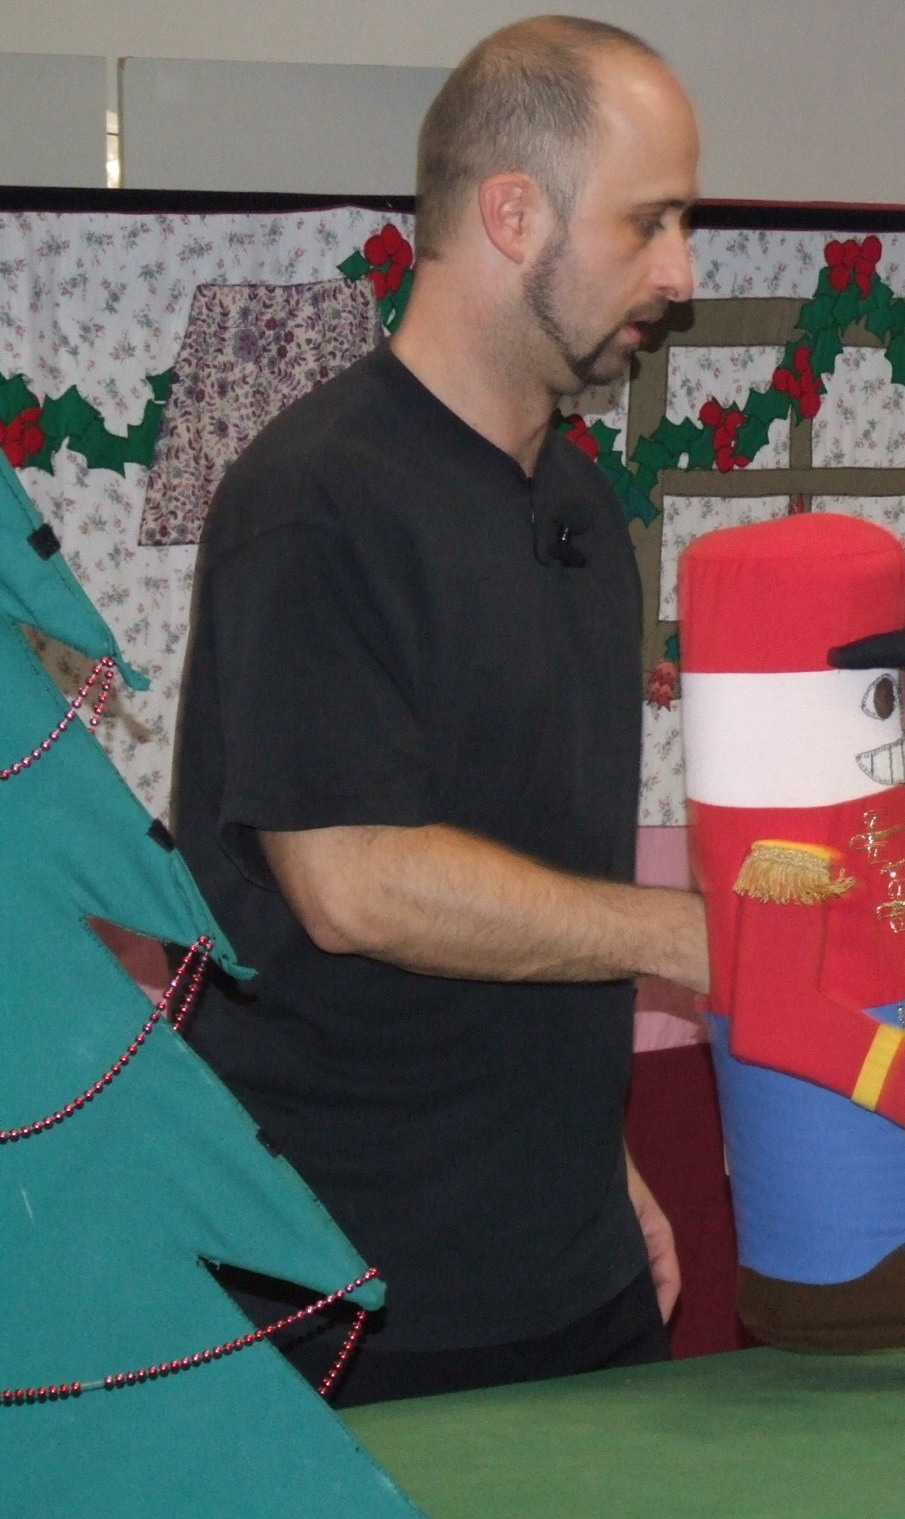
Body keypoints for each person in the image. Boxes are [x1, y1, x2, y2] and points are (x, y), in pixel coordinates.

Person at [174, 16, 708, 1404]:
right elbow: (351, 882)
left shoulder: (581, 506)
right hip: (351, 1312)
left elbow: (534, 876)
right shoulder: (315, 500)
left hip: (578, 1285)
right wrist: (700, 940)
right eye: (649, 222)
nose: (681, 274)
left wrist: (603, 1167)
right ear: (513, 215)